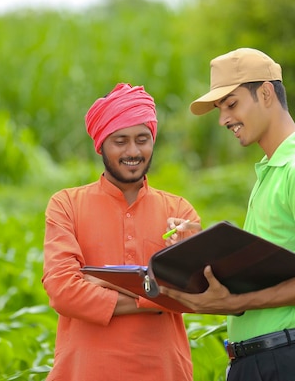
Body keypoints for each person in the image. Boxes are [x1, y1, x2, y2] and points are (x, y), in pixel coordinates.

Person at [161, 48, 295, 380]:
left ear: (267, 93)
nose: (224, 119)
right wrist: (200, 251)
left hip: (282, 362)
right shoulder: (271, 170)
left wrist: (234, 302)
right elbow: (268, 267)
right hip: (255, 360)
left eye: (231, 104)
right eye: (220, 109)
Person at [42, 83, 200, 381]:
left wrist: (100, 280)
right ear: (101, 144)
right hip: (84, 372)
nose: (133, 151)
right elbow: (62, 291)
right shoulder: (66, 205)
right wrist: (155, 299)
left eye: (143, 139)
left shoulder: (179, 212)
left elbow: (190, 294)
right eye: (120, 141)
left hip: (164, 372)